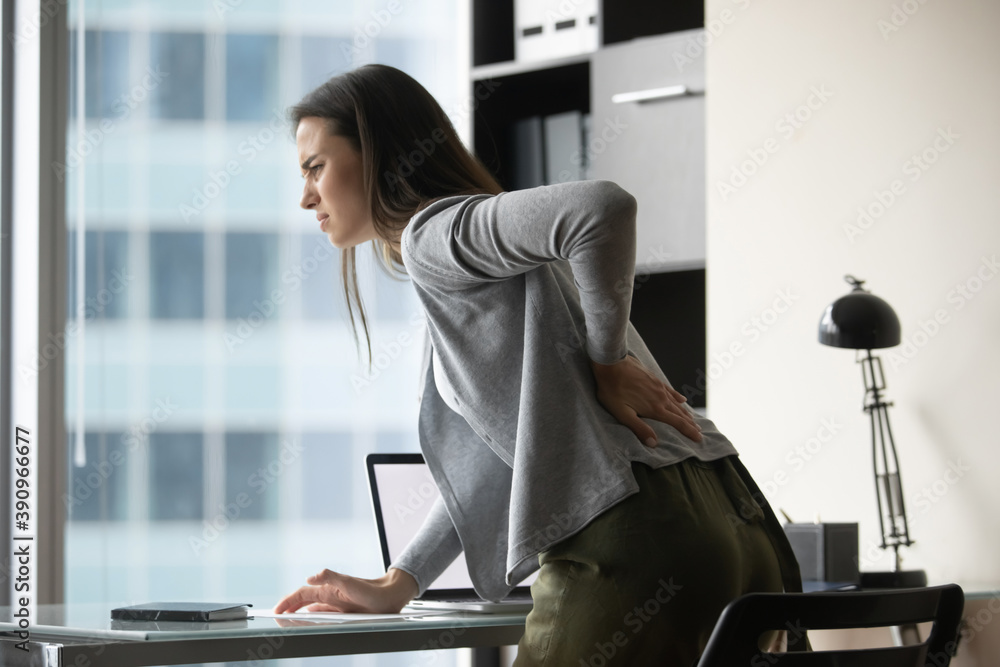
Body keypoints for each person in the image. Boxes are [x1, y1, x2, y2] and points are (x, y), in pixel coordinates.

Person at [273, 64, 801, 665]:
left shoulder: (434, 236)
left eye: (315, 167)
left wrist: (609, 361)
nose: (306, 196)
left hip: (638, 534)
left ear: (376, 152)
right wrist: (403, 580)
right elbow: (508, 462)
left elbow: (603, 206)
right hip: (730, 515)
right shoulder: (497, 263)